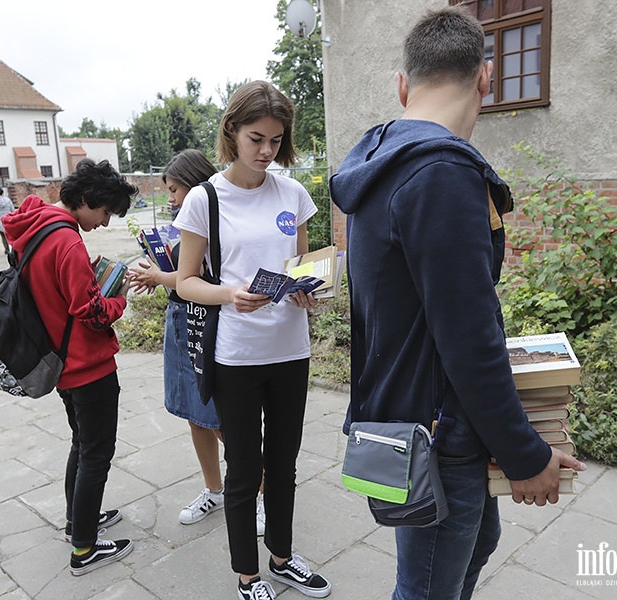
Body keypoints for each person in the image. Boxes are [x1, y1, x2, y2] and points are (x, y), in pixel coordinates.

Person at [330, 8, 587, 600]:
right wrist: (525, 454)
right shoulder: (441, 172)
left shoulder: (382, 160)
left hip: (408, 413)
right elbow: (468, 337)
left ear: (402, 85)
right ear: (486, 79)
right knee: (425, 588)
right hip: (438, 431)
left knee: (475, 548)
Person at [175, 81, 331, 600]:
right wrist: (228, 295)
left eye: (275, 141)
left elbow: (301, 268)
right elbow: (185, 280)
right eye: (256, 138)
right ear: (232, 132)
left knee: (284, 464)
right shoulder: (205, 199)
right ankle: (248, 576)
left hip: (291, 350)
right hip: (236, 356)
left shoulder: (293, 194)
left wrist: (310, 291)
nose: (266, 151)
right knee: (244, 470)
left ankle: (283, 558)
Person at [2, 159, 140, 576]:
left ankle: (77, 522)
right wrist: (119, 299)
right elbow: (92, 312)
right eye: (104, 212)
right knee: (97, 452)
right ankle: (84, 548)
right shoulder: (67, 242)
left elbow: (56, 288)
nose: (104, 222)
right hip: (88, 364)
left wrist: (86, 273)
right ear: (85, 200)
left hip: (61, 362)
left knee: (82, 444)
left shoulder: (38, 226)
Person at [132, 150, 230, 527]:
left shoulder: (215, 220)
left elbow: (199, 277)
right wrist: (158, 274)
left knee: (219, 418)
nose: (170, 199)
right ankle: (214, 490)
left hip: (205, 324)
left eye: (175, 190)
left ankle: (261, 491)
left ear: (195, 183)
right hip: (179, 320)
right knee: (195, 415)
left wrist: (159, 277)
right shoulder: (185, 221)